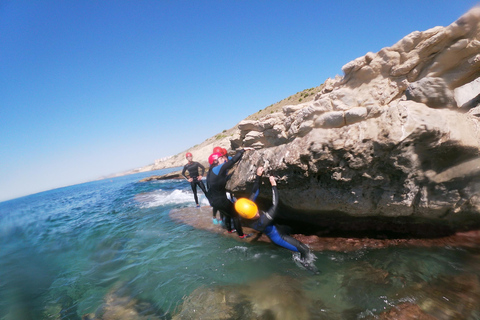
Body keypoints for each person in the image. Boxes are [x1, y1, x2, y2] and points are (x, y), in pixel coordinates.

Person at [234, 167, 319, 273]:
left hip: (277, 227)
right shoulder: (262, 221)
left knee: (295, 228)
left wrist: (258, 175)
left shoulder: (246, 211)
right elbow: (275, 205)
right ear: (248, 216)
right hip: (278, 237)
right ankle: (306, 265)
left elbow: (255, 191)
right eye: (254, 214)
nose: (257, 213)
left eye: (255, 210)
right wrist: (273, 185)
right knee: (304, 250)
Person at [206, 147, 253, 238]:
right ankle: (241, 235)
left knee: (227, 214)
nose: (223, 159)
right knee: (235, 214)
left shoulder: (211, 171)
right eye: (221, 158)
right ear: (216, 161)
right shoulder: (218, 168)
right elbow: (232, 161)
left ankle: (229, 230)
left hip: (214, 201)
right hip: (221, 200)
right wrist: (243, 150)